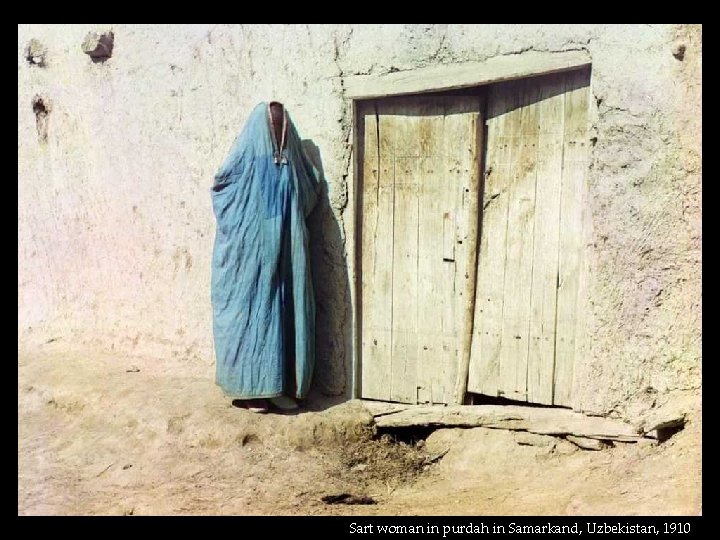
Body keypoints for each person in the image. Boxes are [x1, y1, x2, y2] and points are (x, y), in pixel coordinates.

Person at [210, 101, 321, 413]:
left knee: (284, 312)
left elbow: (311, 188)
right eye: (271, 125)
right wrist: (247, 228)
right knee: (251, 314)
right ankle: (249, 390)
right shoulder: (247, 156)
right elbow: (221, 188)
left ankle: (279, 385)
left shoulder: (292, 159)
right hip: (249, 258)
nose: (276, 130)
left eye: (280, 125)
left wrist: (290, 222)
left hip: (288, 255)